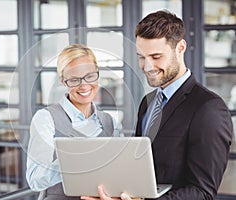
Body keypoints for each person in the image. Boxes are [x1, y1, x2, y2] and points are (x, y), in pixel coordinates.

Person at [81, 10, 233, 200]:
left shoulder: (208, 108)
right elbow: (140, 171)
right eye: (141, 57)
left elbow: (202, 192)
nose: (147, 67)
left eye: (156, 56)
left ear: (180, 47)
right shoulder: (149, 102)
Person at [26, 44, 119, 200]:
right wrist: (73, 161)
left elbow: (116, 173)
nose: (84, 85)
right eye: (74, 79)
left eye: (90, 76)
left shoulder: (109, 122)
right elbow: (35, 179)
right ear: (63, 81)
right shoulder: (46, 119)